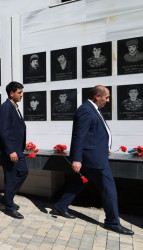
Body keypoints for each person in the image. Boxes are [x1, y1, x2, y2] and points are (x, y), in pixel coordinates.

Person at [53, 85, 134, 235]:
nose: (108, 100)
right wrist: (76, 159)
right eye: (107, 97)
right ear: (97, 96)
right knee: (109, 189)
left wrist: (105, 146)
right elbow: (79, 136)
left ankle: (60, 205)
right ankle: (112, 222)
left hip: (95, 155)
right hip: (94, 160)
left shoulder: (92, 109)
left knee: (80, 181)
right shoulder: (85, 110)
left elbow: (93, 134)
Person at [0, 81, 28, 219]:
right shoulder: (6, 107)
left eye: (22, 92)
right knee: (11, 177)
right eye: (19, 92)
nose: (22, 95)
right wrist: (11, 151)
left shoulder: (14, 106)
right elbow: (3, 131)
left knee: (23, 172)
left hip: (16, 149)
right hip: (10, 151)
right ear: (11, 93)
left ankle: (7, 198)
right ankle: (9, 206)